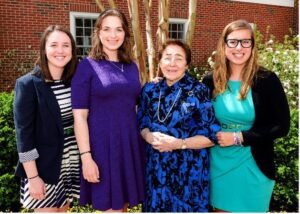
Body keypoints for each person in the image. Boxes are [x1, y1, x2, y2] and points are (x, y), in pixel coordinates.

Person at [202, 19, 290, 212]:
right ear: (224, 45)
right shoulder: (210, 80)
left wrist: (239, 137)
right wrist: (162, 84)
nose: (239, 47)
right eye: (233, 41)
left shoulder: (267, 80)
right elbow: (192, 113)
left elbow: (282, 126)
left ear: (252, 46)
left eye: (245, 41)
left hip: (254, 165)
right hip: (219, 164)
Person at [71, 9, 145, 212]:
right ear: (98, 32)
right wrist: (86, 157)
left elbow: (134, 101)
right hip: (102, 149)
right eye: (107, 29)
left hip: (129, 146)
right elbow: (80, 117)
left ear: (125, 33)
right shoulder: (86, 66)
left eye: (118, 29)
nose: (113, 35)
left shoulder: (132, 66)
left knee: (124, 206)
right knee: (110, 208)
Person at [137, 40, 220, 212]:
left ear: (187, 63)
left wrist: (178, 143)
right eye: (167, 58)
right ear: (159, 62)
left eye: (179, 58)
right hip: (156, 172)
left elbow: (212, 136)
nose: (172, 63)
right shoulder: (150, 90)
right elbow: (141, 122)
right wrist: (148, 136)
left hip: (188, 174)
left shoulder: (198, 91)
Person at [13, 25, 79, 212]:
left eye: (66, 45)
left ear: (72, 50)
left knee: (63, 209)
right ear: (44, 49)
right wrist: (33, 177)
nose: (60, 50)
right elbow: (23, 136)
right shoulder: (27, 84)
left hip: (69, 160)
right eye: (54, 45)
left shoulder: (75, 81)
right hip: (41, 166)